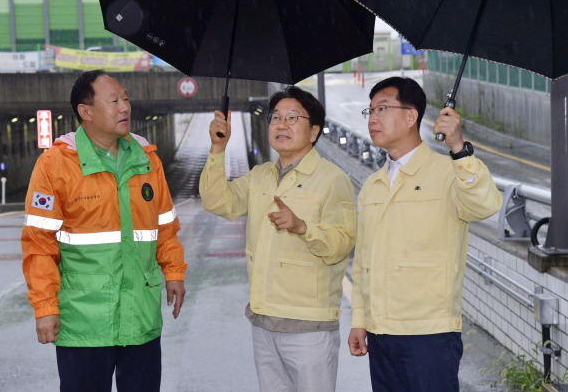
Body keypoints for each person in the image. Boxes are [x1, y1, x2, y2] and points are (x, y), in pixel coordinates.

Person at [21, 69, 187, 392]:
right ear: (86, 112)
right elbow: (39, 245)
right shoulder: (55, 164)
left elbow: (165, 225)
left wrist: (175, 271)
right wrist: (45, 307)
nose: (124, 107)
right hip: (84, 323)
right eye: (114, 101)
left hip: (140, 318)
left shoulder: (146, 159)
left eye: (126, 99)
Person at [348, 77, 502, 392]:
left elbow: (486, 205)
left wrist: (459, 148)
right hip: (380, 334)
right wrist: (359, 321)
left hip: (429, 334)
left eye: (382, 108)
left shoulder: (448, 172)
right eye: (370, 111)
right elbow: (364, 260)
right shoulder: (372, 185)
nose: (373, 119)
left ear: (410, 116)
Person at [199, 86, 356, 392]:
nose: (281, 124)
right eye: (276, 118)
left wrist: (303, 227)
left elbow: (342, 242)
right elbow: (218, 201)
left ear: (313, 131)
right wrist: (217, 150)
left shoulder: (333, 179)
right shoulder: (260, 176)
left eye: (293, 118)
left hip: (309, 325)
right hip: (264, 319)